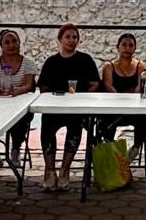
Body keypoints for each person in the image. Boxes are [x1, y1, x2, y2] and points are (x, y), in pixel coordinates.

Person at [37, 23, 101, 192]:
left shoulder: (85, 60)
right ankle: (50, 171)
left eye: (75, 37)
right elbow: (43, 87)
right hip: (54, 107)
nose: (71, 40)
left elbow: (95, 83)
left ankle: (65, 170)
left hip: (76, 107)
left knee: (75, 128)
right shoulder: (51, 62)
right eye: (68, 37)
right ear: (59, 39)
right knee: (47, 128)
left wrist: (81, 97)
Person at [0, 29, 39, 164]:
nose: (11, 45)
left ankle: (15, 149)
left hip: (19, 105)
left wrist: (18, 90)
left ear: (19, 43)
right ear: (1, 46)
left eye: (14, 41)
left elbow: (28, 85)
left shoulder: (28, 63)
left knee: (22, 118)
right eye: (7, 42)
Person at [99, 33, 146, 162]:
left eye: (131, 45)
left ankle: (135, 148)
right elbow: (109, 88)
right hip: (113, 111)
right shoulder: (109, 67)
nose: (127, 48)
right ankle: (111, 152)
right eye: (124, 45)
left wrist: (128, 99)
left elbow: (140, 88)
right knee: (105, 124)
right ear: (117, 47)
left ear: (135, 48)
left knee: (144, 122)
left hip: (134, 110)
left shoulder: (140, 66)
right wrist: (125, 98)